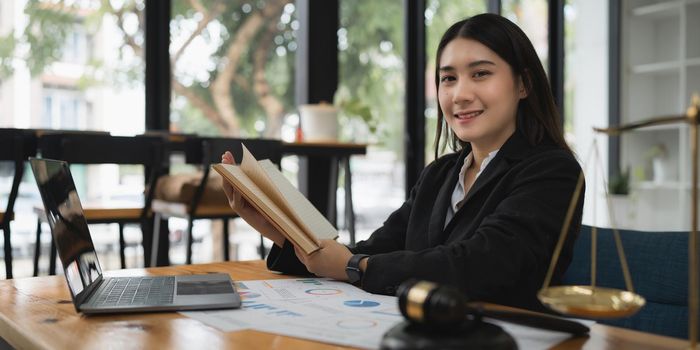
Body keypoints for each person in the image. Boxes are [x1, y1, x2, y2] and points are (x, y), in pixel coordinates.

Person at [221, 13, 584, 311]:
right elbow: (375, 251)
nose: (460, 94)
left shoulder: (553, 171)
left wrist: (353, 266)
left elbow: (481, 266)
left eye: (481, 74)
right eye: (448, 79)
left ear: (523, 84)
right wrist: (280, 233)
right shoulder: (441, 174)